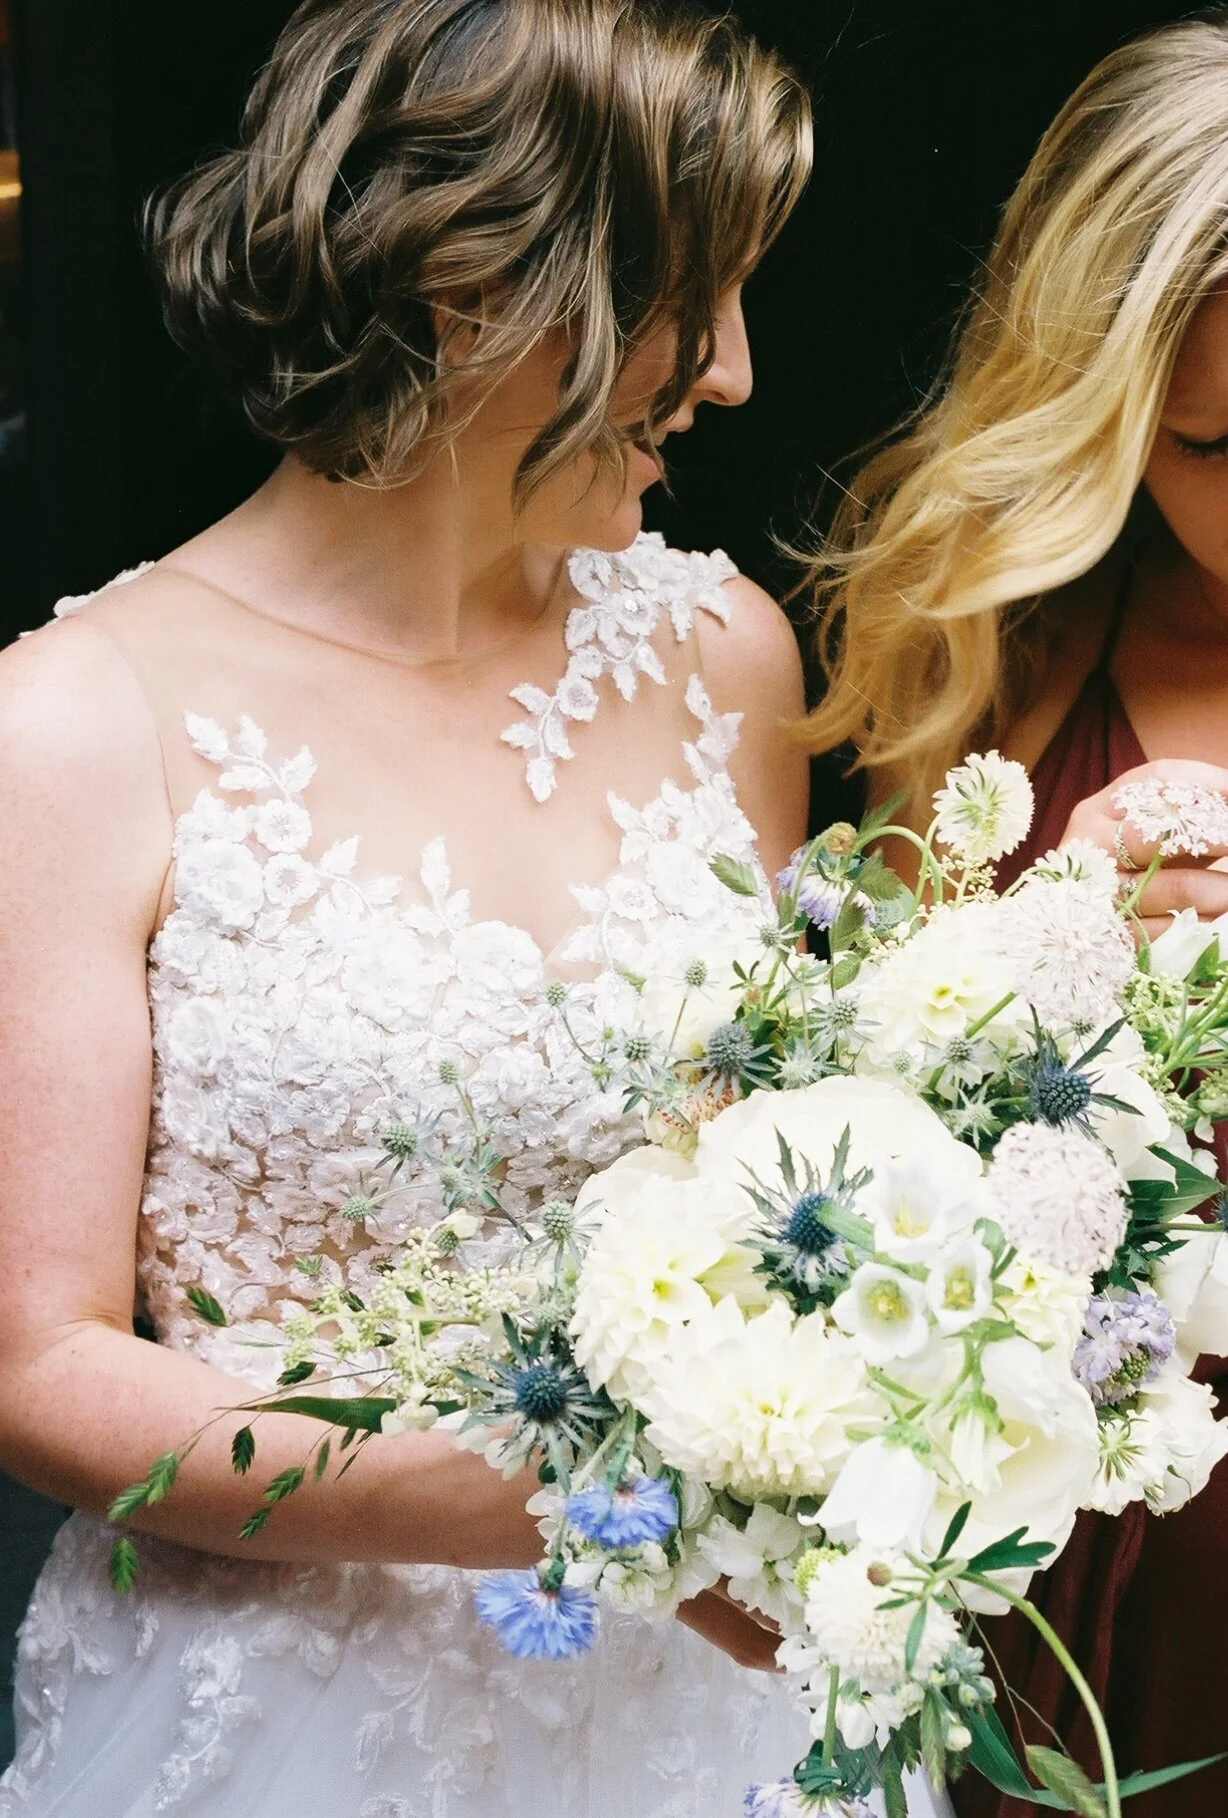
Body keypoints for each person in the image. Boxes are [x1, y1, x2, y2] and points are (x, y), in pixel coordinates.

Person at [0, 3, 824, 1812]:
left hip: (707, 1712)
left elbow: (774, 1181)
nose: (737, 372)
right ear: (479, 289)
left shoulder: (725, 659)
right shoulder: (71, 722)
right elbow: (41, 1362)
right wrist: (550, 1498)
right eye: (694, 299)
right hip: (281, 1709)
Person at [802, 12, 1228, 1816]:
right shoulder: (1012, 661)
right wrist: (1044, 944)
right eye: (1215, 444)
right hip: (1075, 1545)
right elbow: (855, 1123)